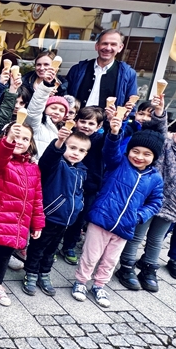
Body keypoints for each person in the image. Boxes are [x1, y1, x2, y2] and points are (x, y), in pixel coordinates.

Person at [71, 120, 163, 308]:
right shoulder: (118, 163)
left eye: (147, 154)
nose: (139, 157)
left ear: (154, 157)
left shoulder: (155, 178)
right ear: (128, 150)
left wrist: (139, 216)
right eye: (135, 151)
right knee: (91, 254)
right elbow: (109, 151)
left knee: (110, 259)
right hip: (101, 219)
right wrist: (114, 134)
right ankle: (81, 281)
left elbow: (156, 202)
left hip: (125, 226)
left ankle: (99, 285)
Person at [116, 102, 176, 293]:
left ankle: (148, 269)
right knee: (137, 235)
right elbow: (160, 129)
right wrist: (160, 113)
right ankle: (126, 267)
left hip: (172, 207)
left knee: (157, 239)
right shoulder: (166, 145)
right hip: (149, 202)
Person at [0, 123, 44, 307]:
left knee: (6, 254)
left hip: (19, 221)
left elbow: (37, 198)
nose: (20, 141)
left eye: (25, 139)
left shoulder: (33, 168)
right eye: (17, 137)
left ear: (31, 143)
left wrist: (37, 223)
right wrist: (8, 141)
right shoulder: (3, 160)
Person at [22, 127, 89, 296]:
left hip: (66, 219)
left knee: (52, 249)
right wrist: (58, 142)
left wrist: (78, 207)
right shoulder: (57, 165)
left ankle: (44, 273)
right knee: (38, 246)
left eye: (81, 150)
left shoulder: (82, 171)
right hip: (48, 215)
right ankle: (30, 272)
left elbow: (78, 193)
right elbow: (47, 160)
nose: (76, 153)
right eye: (72, 147)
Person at [59, 106, 106, 264]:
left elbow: (112, 142)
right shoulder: (70, 137)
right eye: (83, 121)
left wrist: (116, 125)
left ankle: (69, 246)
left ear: (98, 126)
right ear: (76, 121)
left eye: (91, 123)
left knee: (80, 218)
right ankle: (52, 244)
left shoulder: (99, 140)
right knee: (60, 216)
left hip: (89, 187)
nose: (86, 125)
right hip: (67, 184)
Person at [64, 29, 137, 109]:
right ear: (97, 46)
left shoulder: (128, 74)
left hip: (107, 121)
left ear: (120, 47)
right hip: (77, 120)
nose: (108, 48)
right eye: (104, 43)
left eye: (113, 44)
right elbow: (64, 97)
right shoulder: (78, 70)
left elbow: (130, 107)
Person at [26, 80, 70, 159]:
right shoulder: (37, 125)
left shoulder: (65, 131)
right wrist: (45, 87)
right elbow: (34, 111)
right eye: (53, 108)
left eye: (61, 111)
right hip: (33, 165)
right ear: (44, 109)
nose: (57, 112)